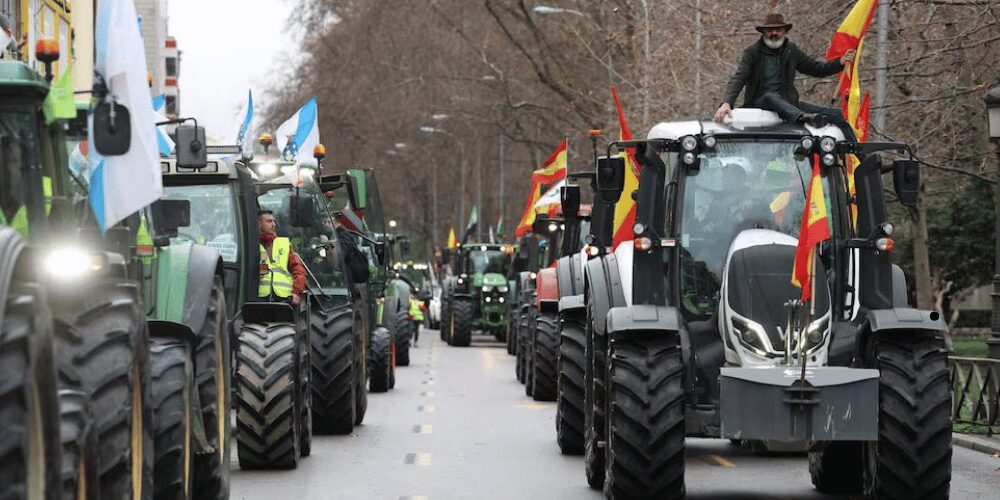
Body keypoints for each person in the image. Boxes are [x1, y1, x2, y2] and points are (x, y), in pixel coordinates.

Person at [714, 13, 857, 141]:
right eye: (770, 30)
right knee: (770, 96)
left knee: (839, 116)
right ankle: (802, 118)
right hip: (760, 103)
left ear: (784, 31)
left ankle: (859, 158)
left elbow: (817, 69)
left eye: (778, 30)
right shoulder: (752, 52)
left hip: (789, 104)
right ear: (764, 32)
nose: (774, 33)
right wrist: (727, 102)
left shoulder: (791, 50)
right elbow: (739, 77)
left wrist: (840, 62)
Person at [258, 210, 307, 306]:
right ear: (258, 224)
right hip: (259, 298)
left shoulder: (283, 243)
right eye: (269, 221)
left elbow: (298, 269)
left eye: (274, 221)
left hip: (284, 299)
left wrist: (297, 293)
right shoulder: (251, 244)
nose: (273, 224)